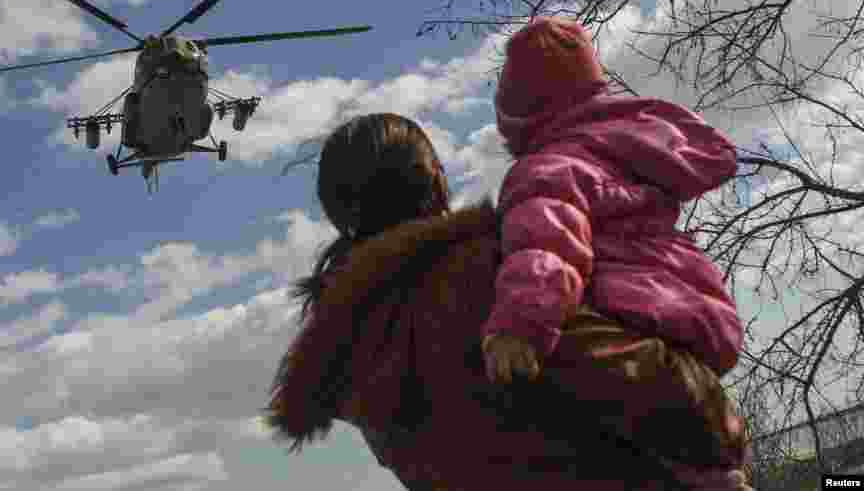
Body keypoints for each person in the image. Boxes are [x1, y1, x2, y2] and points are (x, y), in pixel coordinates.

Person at [265, 112, 748, 490]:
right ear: (434, 182)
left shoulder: (346, 341)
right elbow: (647, 381)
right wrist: (718, 426)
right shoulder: (490, 273)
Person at [485, 15, 752, 489]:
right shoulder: (625, 148)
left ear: (515, 117)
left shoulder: (546, 169)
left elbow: (547, 247)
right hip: (692, 304)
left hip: (631, 314)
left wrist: (519, 326)